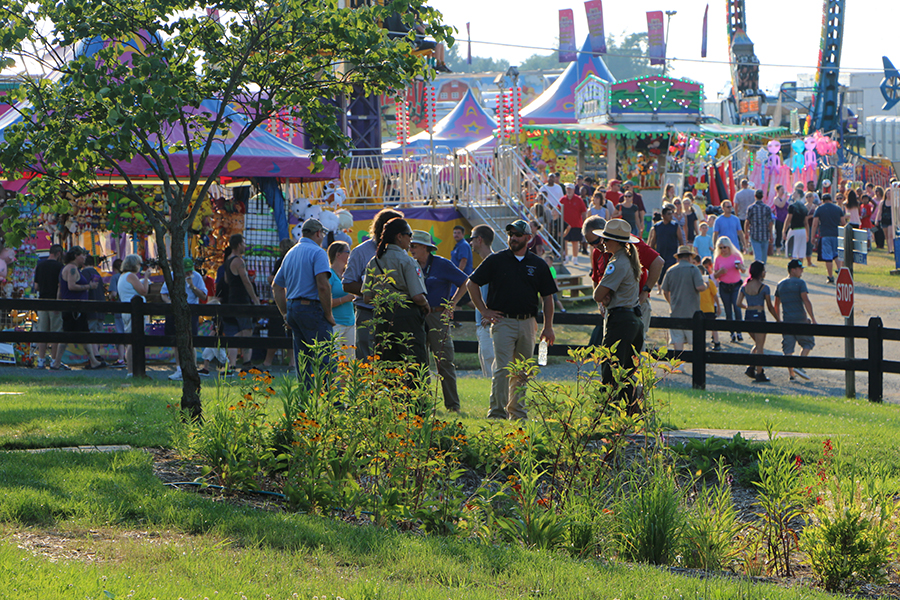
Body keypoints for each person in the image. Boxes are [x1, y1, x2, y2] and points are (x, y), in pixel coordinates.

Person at [466, 219, 557, 421]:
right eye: (510, 235)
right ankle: (497, 413)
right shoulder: (496, 260)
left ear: (528, 238)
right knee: (502, 368)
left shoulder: (538, 264)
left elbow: (548, 298)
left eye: (517, 235)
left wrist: (548, 327)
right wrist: (484, 310)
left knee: (522, 371)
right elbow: (471, 283)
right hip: (502, 322)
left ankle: (517, 413)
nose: (513, 238)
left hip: (528, 322)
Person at [409, 230, 468, 413]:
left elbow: (465, 282)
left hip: (437, 315)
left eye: (414, 246)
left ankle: (453, 406)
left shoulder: (442, 264)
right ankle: (422, 404)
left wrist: (452, 305)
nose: (411, 249)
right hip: (416, 316)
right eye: (410, 245)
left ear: (426, 248)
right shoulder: (410, 265)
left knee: (444, 361)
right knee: (418, 362)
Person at [272, 219, 336, 381]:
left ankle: (305, 401)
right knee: (325, 359)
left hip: (294, 308)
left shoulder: (291, 253)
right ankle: (332, 402)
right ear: (317, 233)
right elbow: (323, 285)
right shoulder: (318, 252)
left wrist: (285, 312)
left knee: (303, 360)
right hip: (312, 309)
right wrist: (328, 314)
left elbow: (276, 286)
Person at [591, 219, 644, 411]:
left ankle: (609, 413)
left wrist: (605, 296)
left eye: (607, 239)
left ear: (617, 242)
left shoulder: (617, 262)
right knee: (627, 372)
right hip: (633, 320)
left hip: (620, 321)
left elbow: (597, 294)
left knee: (611, 370)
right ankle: (628, 414)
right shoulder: (629, 260)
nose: (603, 242)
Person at [584, 214, 663, 343]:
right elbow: (596, 279)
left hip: (634, 306)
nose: (596, 245)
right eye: (590, 243)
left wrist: (645, 291)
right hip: (613, 309)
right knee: (612, 354)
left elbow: (658, 262)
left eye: (597, 240)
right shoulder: (598, 252)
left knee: (632, 354)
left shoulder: (630, 246)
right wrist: (601, 302)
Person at [362, 218, 429, 365]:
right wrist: (425, 305)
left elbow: (367, 298)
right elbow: (417, 296)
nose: (411, 240)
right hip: (406, 315)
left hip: (382, 315)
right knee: (414, 362)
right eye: (409, 235)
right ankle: (415, 389)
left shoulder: (374, 261)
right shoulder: (408, 261)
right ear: (399, 236)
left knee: (387, 364)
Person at [343, 208, 403, 360]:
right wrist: (374, 294)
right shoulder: (360, 252)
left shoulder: (402, 253)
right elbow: (348, 284)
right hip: (367, 312)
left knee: (392, 361)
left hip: (395, 315)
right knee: (366, 359)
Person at [51, 247, 106, 371]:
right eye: (83, 255)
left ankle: (93, 361)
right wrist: (89, 286)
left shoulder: (69, 269)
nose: (85, 258)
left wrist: (58, 303)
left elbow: (60, 289)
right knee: (68, 335)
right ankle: (57, 363)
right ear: (76, 255)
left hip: (74, 307)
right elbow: (71, 286)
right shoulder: (71, 269)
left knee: (81, 334)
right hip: (74, 308)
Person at [161, 257, 208, 381]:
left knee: (190, 341)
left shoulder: (196, 277)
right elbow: (163, 293)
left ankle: (191, 368)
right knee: (177, 342)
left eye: (190, 271)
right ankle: (178, 369)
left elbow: (203, 296)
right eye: (186, 271)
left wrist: (192, 286)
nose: (188, 273)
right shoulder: (172, 275)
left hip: (191, 311)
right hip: (175, 311)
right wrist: (171, 303)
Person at [774, 259, 817, 381]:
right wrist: (813, 318)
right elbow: (806, 301)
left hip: (787, 321)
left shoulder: (780, 284)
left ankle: (792, 374)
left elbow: (776, 304)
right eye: (800, 268)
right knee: (808, 342)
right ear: (793, 270)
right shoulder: (800, 283)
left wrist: (778, 320)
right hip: (800, 319)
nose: (802, 271)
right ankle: (799, 364)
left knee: (788, 348)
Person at [661, 245, 707, 353]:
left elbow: (665, 290)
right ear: (690, 257)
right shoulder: (693, 269)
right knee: (695, 341)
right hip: (692, 312)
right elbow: (700, 287)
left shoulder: (670, 270)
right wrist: (706, 284)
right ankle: (697, 366)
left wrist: (671, 303)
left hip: (676, 311)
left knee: (677, 340)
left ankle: (679, 365)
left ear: (678, 258)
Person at [224, 234, 260, 371]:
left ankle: (232, 363)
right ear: (239, 244)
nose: (245, 246)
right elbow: (246, 282)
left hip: (232, 299)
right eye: (243, 243)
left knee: (237, 330)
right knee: (247, 331)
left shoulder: (228, 260)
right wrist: (255, 299)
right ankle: (246, 362)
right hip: (242, 300)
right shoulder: (239, 261)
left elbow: (227, 280)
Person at [738, 261, 778, 383]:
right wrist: (778, 319)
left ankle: (751, 367)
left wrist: (748, 307)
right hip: (759, 316)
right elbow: (770, 306)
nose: (765, 272)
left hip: (748, 316)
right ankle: (759, 373)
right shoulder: (764, 288)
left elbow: (738, 303)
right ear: (760, 273)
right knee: (760, 347)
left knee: (757, 344)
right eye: (764, 270)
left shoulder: (744, 286)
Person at [116, 254, 150, 377]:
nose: (140, 267)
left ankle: (131, 369)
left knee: (130, 341)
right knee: (133, 341)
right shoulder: (131, 276)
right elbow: (143, 291)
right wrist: (146, 278)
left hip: (126, 311)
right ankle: (131, 370)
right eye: (139, 264)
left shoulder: (122, 276)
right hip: (135, 312)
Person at [264, 239, 295, 369]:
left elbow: (273, 280)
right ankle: (292, 362)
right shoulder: (294, 261)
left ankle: (268, 361)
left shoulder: (280, 262)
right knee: (292, 333)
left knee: (275, 332)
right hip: (293, 299)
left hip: (281, 300)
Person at [469, 224, 496, 378]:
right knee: (487, 371)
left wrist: (488, 313)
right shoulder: (486, 263)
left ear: (480, 240)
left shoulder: (492, 262)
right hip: (482, 326)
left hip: (488, 327)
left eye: (472, 239)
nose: (470, 243)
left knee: (492, 372)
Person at [33, 244, 64, 369]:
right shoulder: (59, 267)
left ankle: (41, 359)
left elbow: (36, 286)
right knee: (56, 332)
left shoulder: (40, 265)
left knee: (43, 331)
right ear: (58, 254)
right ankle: (54, 360)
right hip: (54, 302)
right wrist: (58, 301)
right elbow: (60, 287)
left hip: (42, 301)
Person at [713, 237, 746, 343]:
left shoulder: (736, 256)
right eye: (720, 247)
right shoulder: (718, 259)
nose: (723, 249)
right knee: (728, 310)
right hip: (724, 286)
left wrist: (740, 266)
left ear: (729, 246)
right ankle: (731, 332)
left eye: (725, 247)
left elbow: (743, 270)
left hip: (736, 285)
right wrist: (720, 272)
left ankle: (739, 331)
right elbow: (715, 275)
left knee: (737, 308)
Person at [327, 241, 355, 362]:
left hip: (350, 323)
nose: (349, 255)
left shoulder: (348, 274)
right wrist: (345, 299)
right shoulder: (329, 275)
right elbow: (325, 302)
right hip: (336, 324)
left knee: (348, 362)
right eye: (347, 252)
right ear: (338, 254)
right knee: (334, 361)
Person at [809, 193, 845, 284]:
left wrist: (813, 236)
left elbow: (815, 224)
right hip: (836, 235)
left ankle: (830, 276)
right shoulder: (838, 208)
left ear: (822, 200)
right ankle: (840, 271)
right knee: (836, 254)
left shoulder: (820, 209)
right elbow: (843, 222)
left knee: (828, 256)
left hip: (825, 235)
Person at [647, 203, 682, 291]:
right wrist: (650, 252)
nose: (671, 216)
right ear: (663, 215)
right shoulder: (657, 226)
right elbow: (653, 240)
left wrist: (681, 253)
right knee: (660, 271)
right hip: (660, 252)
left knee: (670, 269)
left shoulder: (675, 226)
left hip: (672, 253)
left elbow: (681, 240)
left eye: (672, 213)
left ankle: (670, 288)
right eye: (669, 214)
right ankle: (660, 287)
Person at [80, 254, 107, 367]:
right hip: (100, 308)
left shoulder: (84, 274)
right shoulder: (97, 274)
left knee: (90, 332)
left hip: (90, 308)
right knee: (97, 332)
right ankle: (97, 354)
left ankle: (93, 357)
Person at [694, 254, 721, 351]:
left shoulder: (710, 282)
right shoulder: (694, 282)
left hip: (709, 308)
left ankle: (717, 342)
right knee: (699, 328)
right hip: (698, 308)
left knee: (713, 326)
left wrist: (718, 306)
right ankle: (701, 343)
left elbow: (715, 295)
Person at [745, 189, 774, 264]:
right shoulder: (767, 208)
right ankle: (762, 269)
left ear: (755, 196)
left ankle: (758, 269)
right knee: (764, 256)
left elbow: (747, 221)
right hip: (765, 234)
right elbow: (770, 222)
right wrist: (771, 234)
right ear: (762, 197)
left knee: (757, 255)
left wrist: (746, 232)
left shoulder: (751, 208)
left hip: (754, 234)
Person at [560, 182, 586, 264]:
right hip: (565, 225)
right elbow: (557, 209)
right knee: (565, 241)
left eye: (570, 189)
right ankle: (566, 257)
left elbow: (583, 211)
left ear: (573, 190)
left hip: (576, 224)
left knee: (575, 242)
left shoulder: (578, 199)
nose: (569, 191)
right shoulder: (562, 199)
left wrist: (584, 222)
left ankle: (575, 258)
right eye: (567, 189)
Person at [108, 258, 127, 367]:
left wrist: (110, 297)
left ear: (114, 268)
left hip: (119, 310)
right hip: (130, 308)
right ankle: (131, 356)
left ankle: (121, 358)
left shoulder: (115, 278)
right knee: (129, 333)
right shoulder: (130, 277)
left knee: (120, 333)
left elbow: (114, 294)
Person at [783, 191, 809, 261]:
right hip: (803, 230)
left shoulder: (792, 206)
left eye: (795, 193)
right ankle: (799, 267)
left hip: (794, 230)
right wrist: (807, 234)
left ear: (798, 195)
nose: (793, 195)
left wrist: (784, 231)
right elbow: (806, 222)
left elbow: (788, 219)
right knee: (801, 252)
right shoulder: (804, 207)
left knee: (791, 251)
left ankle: (793, 266)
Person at [772, 184, 789, 254]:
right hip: (779, 219)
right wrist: (785, 197)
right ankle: (778, 249)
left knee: (786, 233)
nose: (783, 191)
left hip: (785, 219)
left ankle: (785, 248)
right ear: (778, 191)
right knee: (779, 234)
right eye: (782, 190)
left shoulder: (784, 199)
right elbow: (781, 205)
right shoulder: (776, 199)